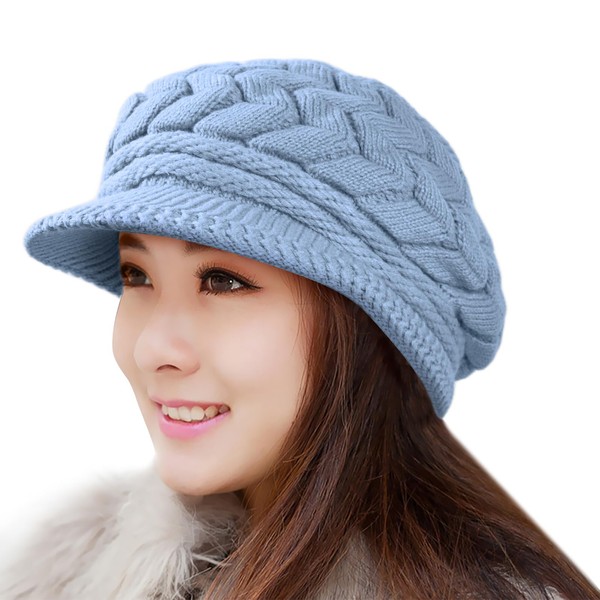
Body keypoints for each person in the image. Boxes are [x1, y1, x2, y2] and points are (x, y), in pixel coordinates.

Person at [1, 59, 597, 599]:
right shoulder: (58, 575)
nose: (151, 347)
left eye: (222, 281)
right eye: (137, 275)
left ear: (368, 326)